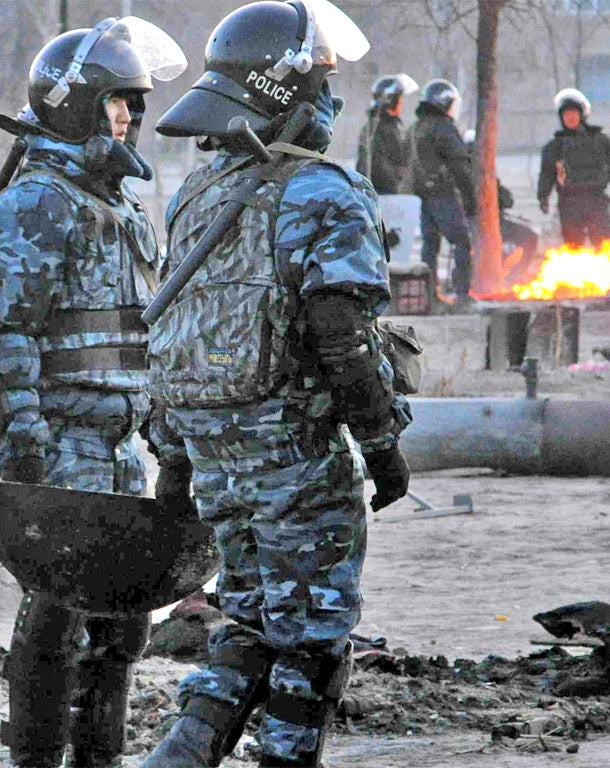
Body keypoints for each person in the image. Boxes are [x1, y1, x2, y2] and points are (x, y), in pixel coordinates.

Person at [143, 2, 412, 767]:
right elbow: (342, 338)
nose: (332, 98)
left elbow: (176, 334)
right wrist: (383, 443)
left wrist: (176, 460)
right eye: (323, 82)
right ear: (286, 91)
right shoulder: (327, 191)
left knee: (252, 620)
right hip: (295, 455)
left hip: (215, 455)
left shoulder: (199, 191)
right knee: (315, 639)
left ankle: (180, 755)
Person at [0, 18, 187, 768]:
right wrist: (22, 435)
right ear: (80, 104)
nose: (129, 115)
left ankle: (100, 756)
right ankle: (33, 754)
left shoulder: (121, 207)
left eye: (135, 102)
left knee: (124, 620)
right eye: (118, 101)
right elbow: (6, 333)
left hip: (122, 442)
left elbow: (144, 330)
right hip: (63, 438)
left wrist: (163, 424)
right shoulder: (38, 204)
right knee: (57, 607)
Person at [411, 78, 476, 305]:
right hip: (442, 194)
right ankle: (462, 294)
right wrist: (470, 197)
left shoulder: (416, 127)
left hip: (421, 197)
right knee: (461, 242)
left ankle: (429, 296)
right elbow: (460, 165)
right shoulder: (444, 128)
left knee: (430, 246)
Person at [537, 88, 610, 248]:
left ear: (582, 115)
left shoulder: (600, 140)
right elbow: (547, 174)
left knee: (605, 246)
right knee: (572, 248)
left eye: (573, 114)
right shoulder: (555, 147)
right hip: (569, 202)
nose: (570, 118)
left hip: (596, 200)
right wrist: (543, 197)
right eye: (566, 115)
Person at [355, 73, 418, 194]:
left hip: (390, 193)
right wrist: (398, 181)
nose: (401, 104)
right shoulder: (375, 127)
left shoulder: (393, 125)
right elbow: (375, 165)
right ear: (391, 101)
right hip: (381, 194)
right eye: (399, 100)